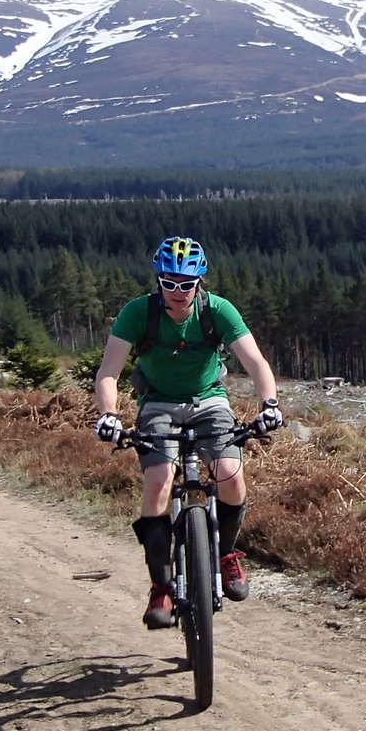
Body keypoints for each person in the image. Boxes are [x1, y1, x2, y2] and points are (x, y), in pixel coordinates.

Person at [93, 236, 283, 627]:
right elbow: (109, 372)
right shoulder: (137, 313)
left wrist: (270, 406)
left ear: (200, 281)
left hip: (209, 400)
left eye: (186, 283)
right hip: (158, 402)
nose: (178, 292)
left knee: (230, 475)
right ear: (158, 280)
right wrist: (109, 415)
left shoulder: (217, 311)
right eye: (169, 282)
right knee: (160, 478)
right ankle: (161, 585)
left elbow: (256, 363)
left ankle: (226, 554)